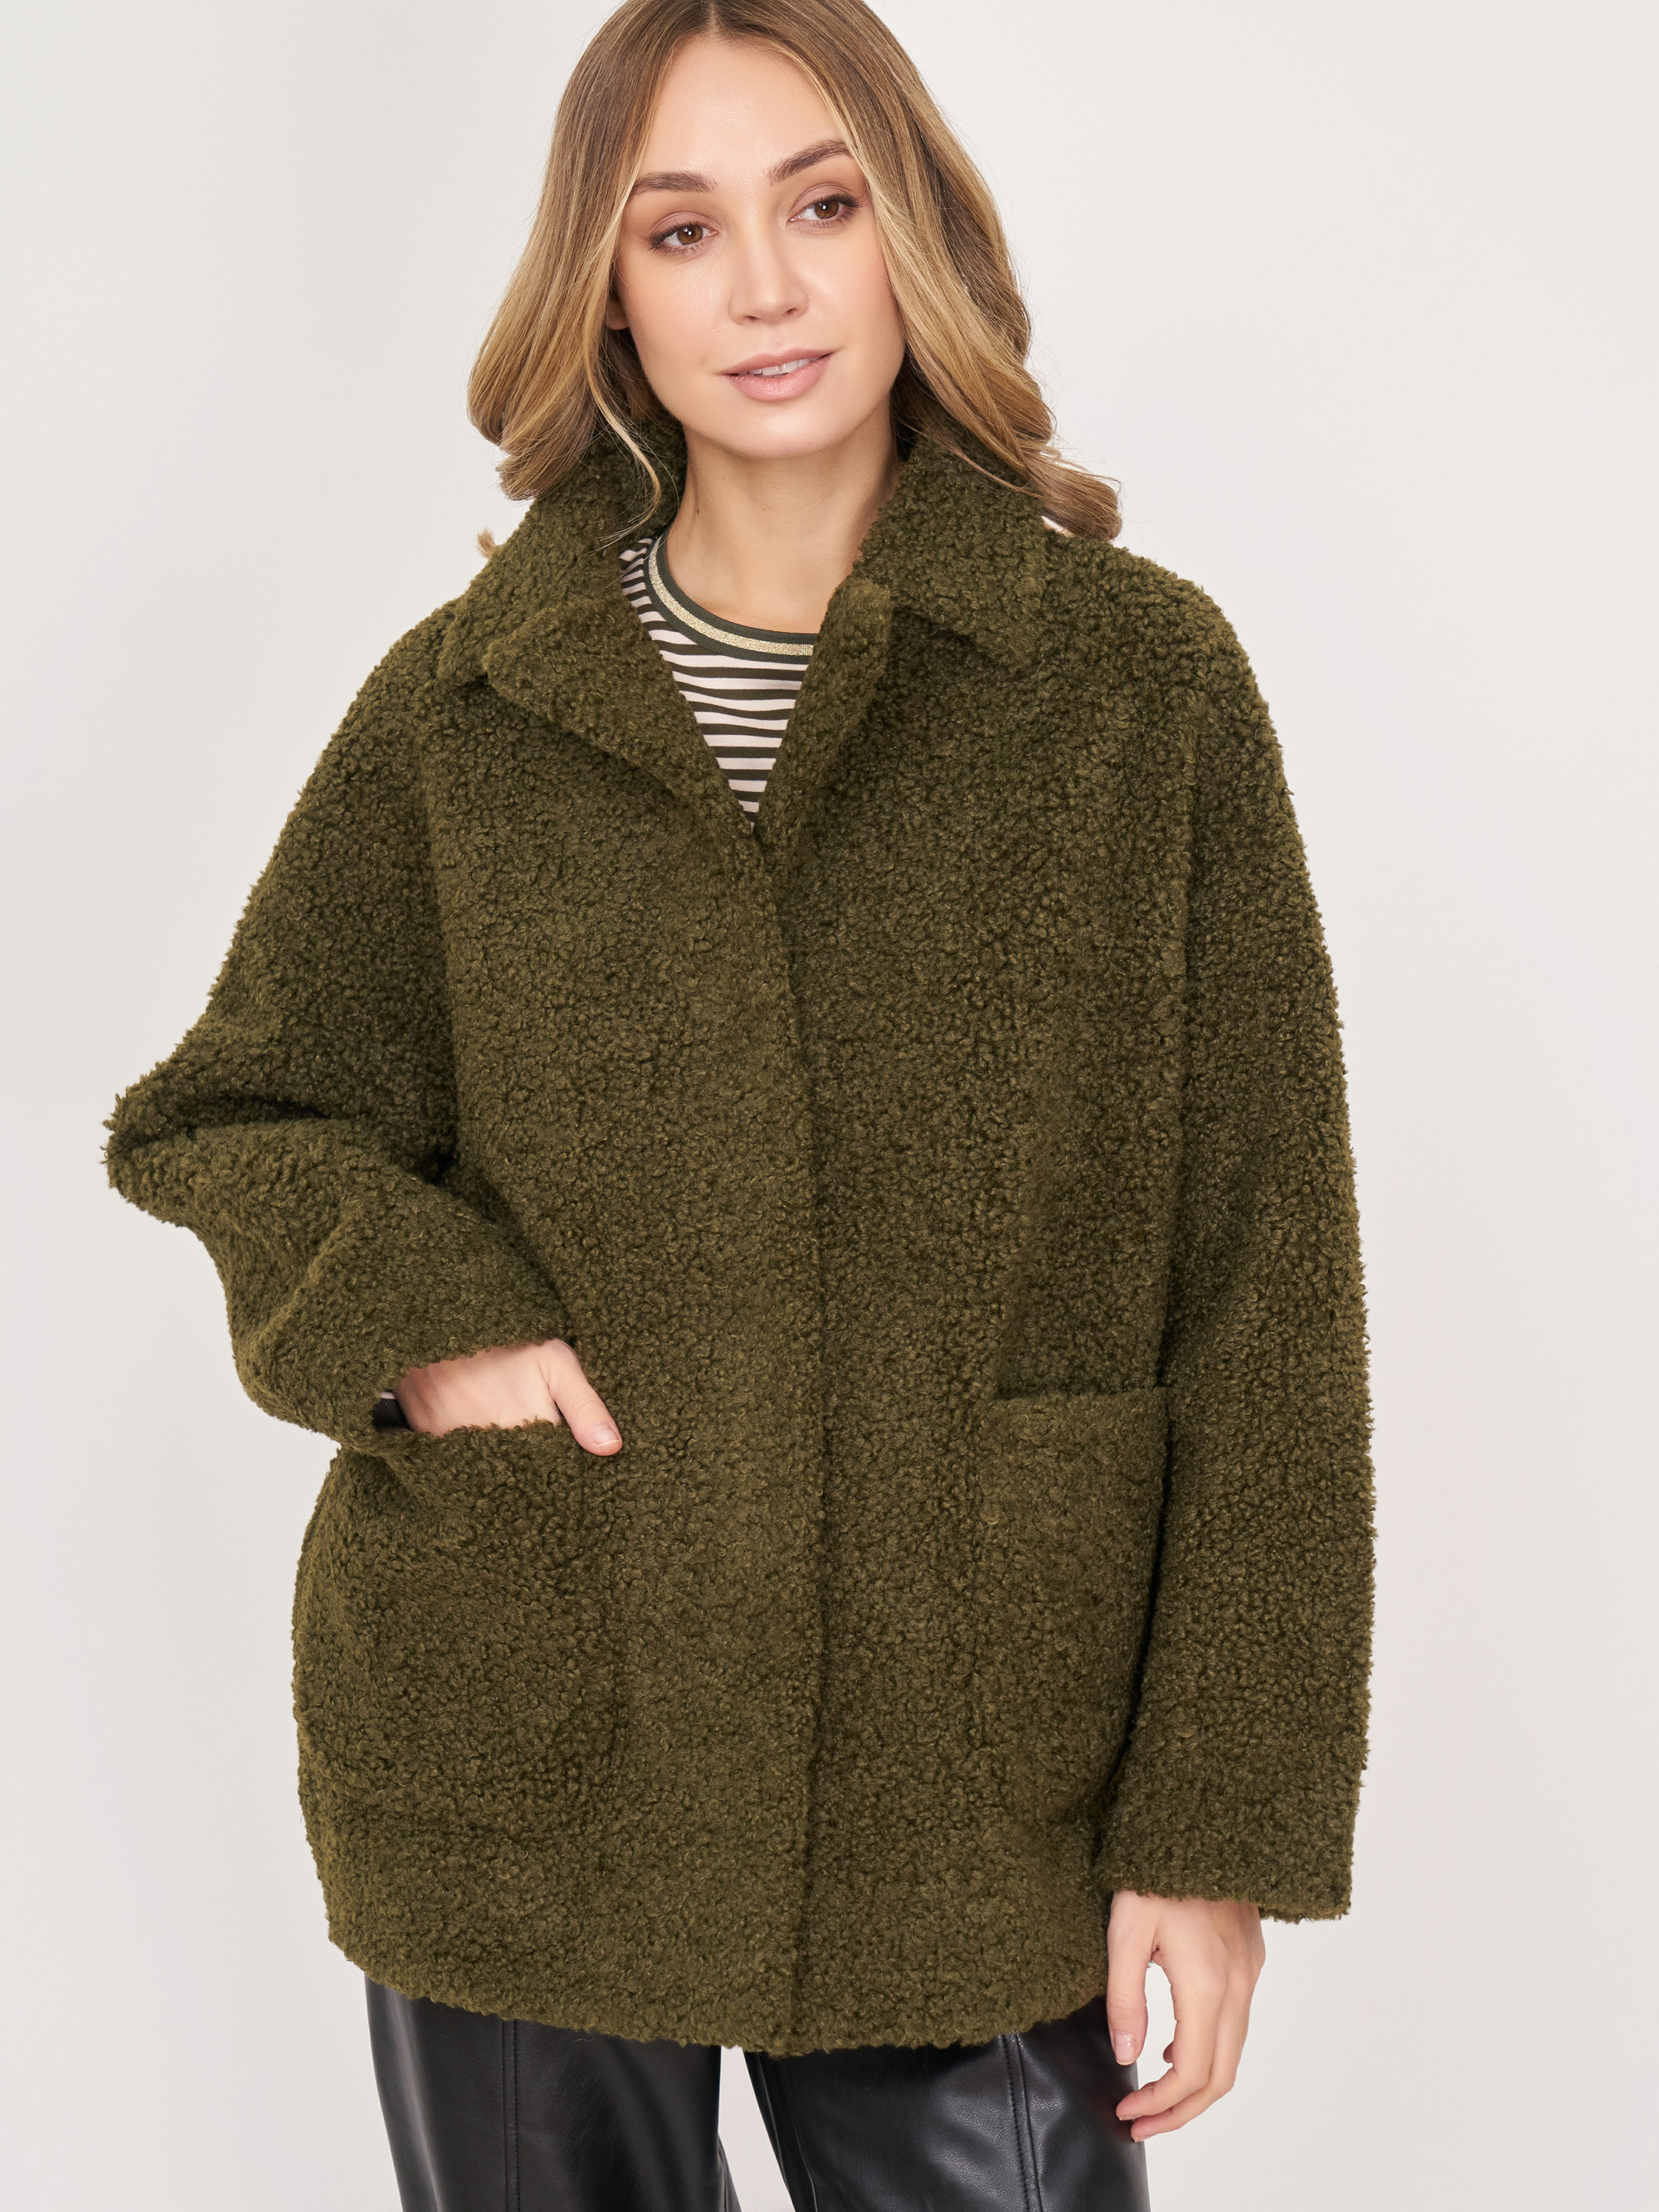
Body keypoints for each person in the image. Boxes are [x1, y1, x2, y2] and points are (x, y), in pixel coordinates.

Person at [105, 2, 1374, 2205]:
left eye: (823, 204)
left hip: (979, 1776)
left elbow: (1268, 1279)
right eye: (681, 229)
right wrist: (433, 1333)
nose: (765, 288)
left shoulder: (1134, 690)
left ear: (916, 232)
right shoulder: (472, 706)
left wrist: (1216, 1826)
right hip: (534, 1738)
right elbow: (234, 1108)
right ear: (607, 288)